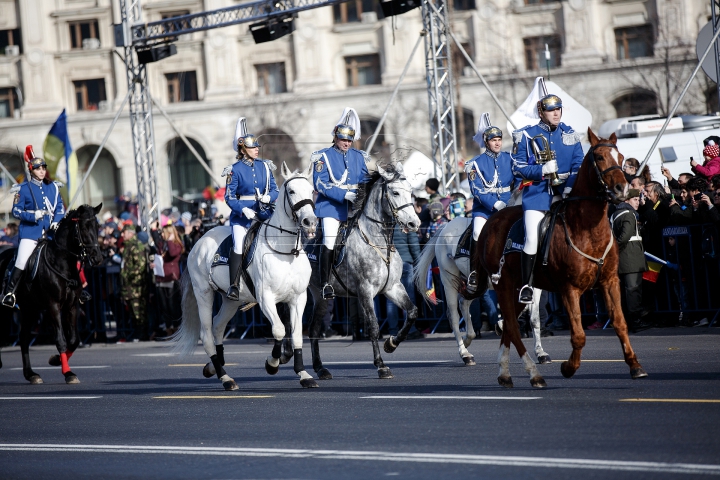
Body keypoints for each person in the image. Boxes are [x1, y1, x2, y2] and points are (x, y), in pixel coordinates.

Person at [511, 77, 584, 304]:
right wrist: (541, 169)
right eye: (551, 110)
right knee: (532, 238)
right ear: (541, 113)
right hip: (538, 195)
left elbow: (578, 164)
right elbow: (517, 167)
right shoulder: (526, 134)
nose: (556, 113)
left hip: (566, 194)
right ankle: (527, 284)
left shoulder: (570, 134)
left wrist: (570, 185)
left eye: (558, 109)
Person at [312, 107, 370, 300]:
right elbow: (320, 183)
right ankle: (326, 283)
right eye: (343, 139)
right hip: (331, 207)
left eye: (349, 140)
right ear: (335, 138)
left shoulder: (359, 156)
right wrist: (343, 195)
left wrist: (361, 195)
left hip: (355, 206)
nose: (346, 143)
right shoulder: (323, 156)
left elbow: (364, 180)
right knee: (329, 239)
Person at [2, 146, 65, 308]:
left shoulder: (53, 187)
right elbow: (16, 211)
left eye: (44, 168)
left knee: (68, 255)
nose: (42, 171)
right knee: (22, 260)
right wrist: (32, 216)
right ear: (31, 170)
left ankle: (78, 287)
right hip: (31, 233)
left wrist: (56, 220)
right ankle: (10, 292)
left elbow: (59, 207)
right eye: (38, 169)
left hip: (50, 233)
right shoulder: (23, 189)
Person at [223, 117, 279, 301]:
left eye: (257, 147)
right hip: (243, 216)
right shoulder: (234, 170)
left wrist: (268, 197)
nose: (256, 149)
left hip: (264, 213)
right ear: (242, 149)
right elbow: (229, 196)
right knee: (239, 244)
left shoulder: (265, 166)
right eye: (252, 147)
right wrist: (241, 209)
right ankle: (234, 284)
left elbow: (275, 189)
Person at [465, 113, 515, 293]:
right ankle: (475, 272)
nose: (497, 143)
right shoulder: (474, 164)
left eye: (499, 139)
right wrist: (495, 205)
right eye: (493, 140)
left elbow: (516, 183)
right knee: (478, 233)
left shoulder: (510, 159)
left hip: (509, 206)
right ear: (486, 142)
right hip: (485, 210)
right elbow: (477, 191)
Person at [610, 189, 652, 332]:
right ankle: (636, 321)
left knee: (627, 291)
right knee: (633, 290)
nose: (638, 202)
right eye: (635, 200)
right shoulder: (629, 214)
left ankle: (628, 320)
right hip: (630, 259)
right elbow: (624, 237)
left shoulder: (615, 214)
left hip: (624, 259)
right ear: (627, 200)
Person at [151, 222, 184, 336]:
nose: (162, 235)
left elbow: (173, 253)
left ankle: (176, 327)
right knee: (164, 306)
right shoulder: (162, 244)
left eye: (164, 233)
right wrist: (154, 230)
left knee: (172, 305)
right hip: (161, 277)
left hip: (171, 277)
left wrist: (170, 240)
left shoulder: (175, 244)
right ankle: (168, 327)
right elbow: (157, 242)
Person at [120, 224, 150, 340]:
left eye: (124, 232)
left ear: (130, 233)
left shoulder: (136, 245)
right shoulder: (128, 246)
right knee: (133, 312)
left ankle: (143, 334)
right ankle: (139, 333)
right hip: (129, 286)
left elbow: (140, 266)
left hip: (136, 286)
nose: (122, 235)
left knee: (139, 312)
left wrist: (127, 275)